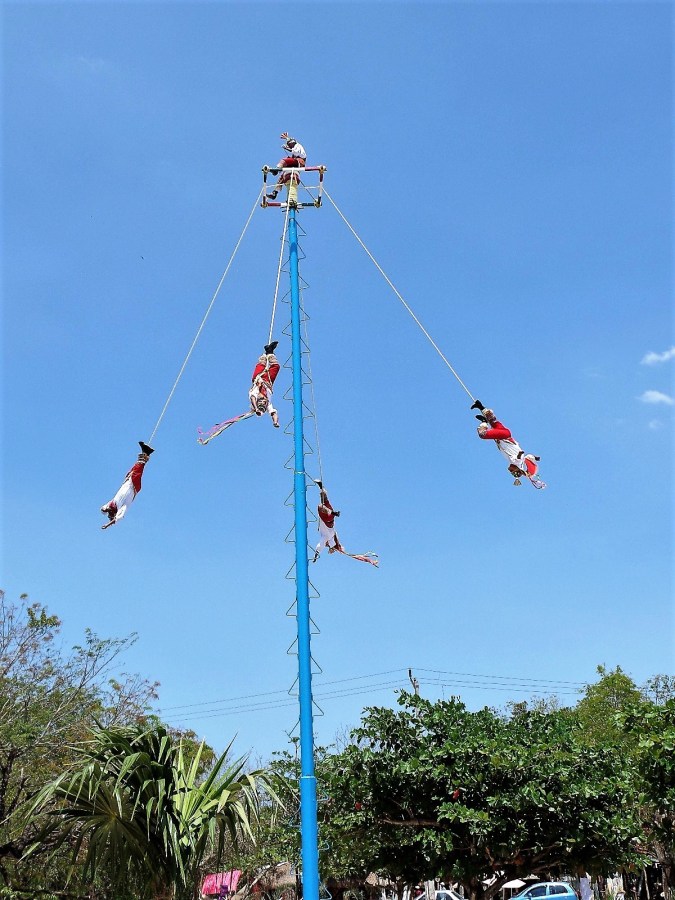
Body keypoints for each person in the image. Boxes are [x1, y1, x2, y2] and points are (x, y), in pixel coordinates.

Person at [470, 399, 545, 487]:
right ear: (516, 470)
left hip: (505, 434)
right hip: (503, 436)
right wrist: (520, 455)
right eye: (512, 472)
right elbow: (520, 458)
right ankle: (484, 422)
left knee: (493, 421)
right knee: (483, 434)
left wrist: (535, 458)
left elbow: (528, 457)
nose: (509, 470)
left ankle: (480, 406)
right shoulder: (517, 462)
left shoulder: (519, 461)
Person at [100, 442, 154, 528]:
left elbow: (102, 509)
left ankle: (146, 452)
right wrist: (107, 525)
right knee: (137, 470)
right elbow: (118, 519)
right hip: (134, 487)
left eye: (108, 514)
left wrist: (106, 510)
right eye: (111, 515)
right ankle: (146, 452)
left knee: (133, 470)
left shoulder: (111, 503)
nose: (109, 513)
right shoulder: (121, 508)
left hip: (127, 482)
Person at [266, 133, 307, 200]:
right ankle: (275, 192)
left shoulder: (297, 146)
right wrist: (286, 138)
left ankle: (276, 170)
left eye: (289, 145)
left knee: (284, 160)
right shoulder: (294, 146)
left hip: (299, 162)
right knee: (282, 177)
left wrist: (286, 148)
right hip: (295, 164)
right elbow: (290, 142)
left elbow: (295, 151)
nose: (289, 146)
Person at [249, 341, 280, 427]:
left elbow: (252, 398)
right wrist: (275, 422)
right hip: (268, 381)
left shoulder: (254, 395)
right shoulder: (269, 404)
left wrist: (256, 409)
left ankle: (266, 353)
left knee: (261, 364)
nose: (263, 400)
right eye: (264, 402)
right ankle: (270, 352)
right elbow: (273, 413)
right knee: (276, 367)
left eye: (261, 401)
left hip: (258, 378)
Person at [313, 482, 343, 560]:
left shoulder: (329, 538)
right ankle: (332, 512)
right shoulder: (326, 538)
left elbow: (320, 546)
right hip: (328, 519)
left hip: (330, 518)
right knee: (321, 506)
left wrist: (316, 555)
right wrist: (338, 546)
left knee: (324, 501)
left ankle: (321, 488)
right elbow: (321, 545)